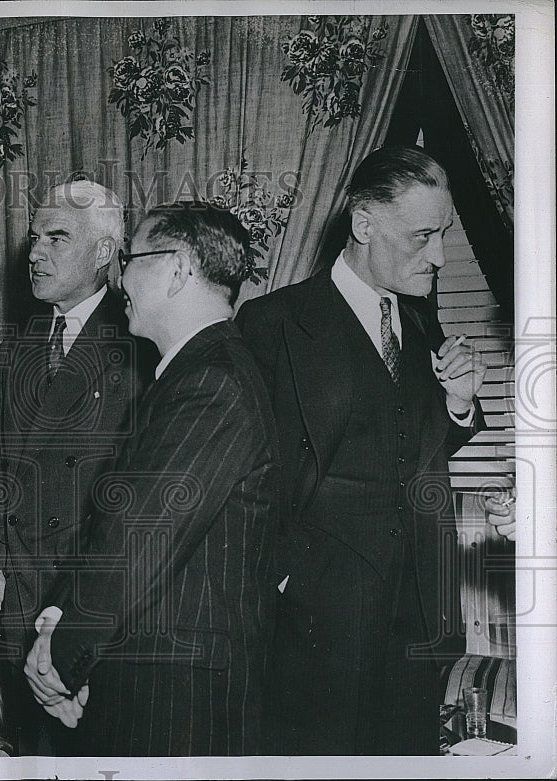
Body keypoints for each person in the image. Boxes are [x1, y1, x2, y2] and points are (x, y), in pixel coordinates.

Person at [235, 145, 486, 755]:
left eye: (443, 234)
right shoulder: (275, 322)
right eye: (422, 235)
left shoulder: (421, 318)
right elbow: (244, 475)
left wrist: (459, 403)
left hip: (420, 608)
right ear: (364, 224)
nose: (439, 256)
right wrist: (285, 580)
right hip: (318, 621)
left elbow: (412, 446)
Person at [25, 201, 280, 756]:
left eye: (132, 260)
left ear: (180, 270)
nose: (118, 279)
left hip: (179, 699)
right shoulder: (192, 374)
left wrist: (59, 657)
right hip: (154, 678)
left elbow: (138, 540)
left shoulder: (212, 383)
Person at [0, 180, 157, 753]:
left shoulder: (140, 339)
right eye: (35, 238)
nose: (36, 253)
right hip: (19, 603)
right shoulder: (23, 341)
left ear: (103, 253)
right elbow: (1, 465)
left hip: (90, 612)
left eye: (57, 238)